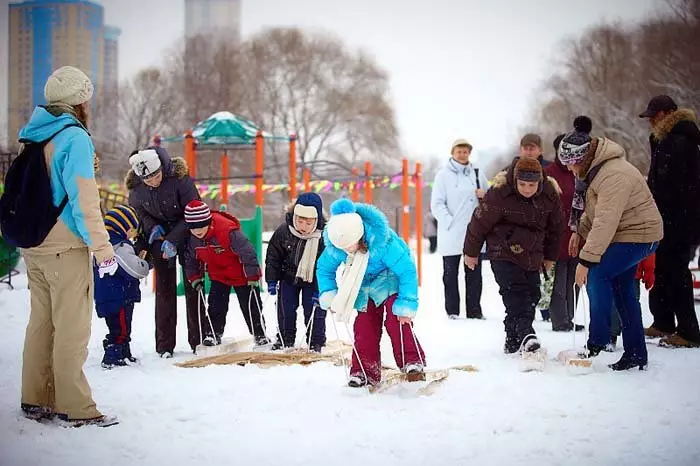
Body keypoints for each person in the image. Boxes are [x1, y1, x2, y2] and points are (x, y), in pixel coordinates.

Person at [19, 66, 118, 427]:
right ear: (79, 100)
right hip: (64, 246)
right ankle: (74, 406)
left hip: (35, 245)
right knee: (72, 328)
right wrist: (103, 249)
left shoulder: (34, 133)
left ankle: (35, 397)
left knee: (41, 323)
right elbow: (83, 200)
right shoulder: (74, 137)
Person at [559, 116, 663, 370]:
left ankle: (599, 339)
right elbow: (595, 213)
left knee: (597, 276)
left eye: (572, 164)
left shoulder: (613, 174)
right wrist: (578, 231)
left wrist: (585, 260)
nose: (571, 170)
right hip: (625, 234)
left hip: (638, 236)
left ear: (584, 157)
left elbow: (606, 222)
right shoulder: (598, 171)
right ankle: (636, 353)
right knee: (623, 291)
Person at [317, 198, 425, 388]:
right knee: (364, 327)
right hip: (361, 283)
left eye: (350, 245)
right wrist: (330, 294)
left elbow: (406, 271)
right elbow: (324, 269)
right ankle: (364, 371)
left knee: (397, 319)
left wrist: (406, 303)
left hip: (391, 278)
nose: (347, 250)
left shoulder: (384, 242)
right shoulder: (337, 245)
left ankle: (412, 362)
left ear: (359, 235)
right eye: (343, 247)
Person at [464, 157, 563, 354]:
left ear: (540, 182)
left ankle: (512, 340)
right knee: (515, 293)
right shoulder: (500, 192)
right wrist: (471, 252)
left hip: (533, 253)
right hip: (503, 251)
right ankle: (527, 334)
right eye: (523, 184)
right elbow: (478, 223)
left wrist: (550, 256)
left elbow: (556, 228)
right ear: (515, 180)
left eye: (532, 185)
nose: (527, 189)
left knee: (532, 294)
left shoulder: (549, 194)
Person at [126, 146, 202, 357]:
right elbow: (138, 211)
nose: (153, 181)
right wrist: (151, 227)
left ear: (162, 167)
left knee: (193, 286)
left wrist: (174, 238)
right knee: (164, 291)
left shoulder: (180, 179)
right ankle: (164, 345)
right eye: (148, 180)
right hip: (159, 238)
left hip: (188, 235)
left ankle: (199, 340)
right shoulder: (137, 188)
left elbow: (194, 211)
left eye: (156, 176)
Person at [640, 95, 700, 348]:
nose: (651, 121)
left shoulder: (677, 141)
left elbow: (672, 186)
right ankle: (663, 321)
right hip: (667, 218)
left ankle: (688, 331)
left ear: (666, 114)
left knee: (676, 273)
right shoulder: (667, 139)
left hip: (678, 219)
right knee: (661, 269)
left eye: (654, 115)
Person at [183, 200, 270, 347]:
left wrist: (253, 275)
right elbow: (191, 259)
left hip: (242, 274)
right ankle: (213, 334)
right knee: (216, 305)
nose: (197, 231)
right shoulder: (193, 239)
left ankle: (260, 334)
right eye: (193, 228)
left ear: (208, 222)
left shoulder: (227, 231)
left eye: (201, 227)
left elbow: (248, 252)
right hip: (218, 275)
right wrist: (194, 277)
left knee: (250, 305)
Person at [430, 139, 489, 319]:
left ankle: (474, 311)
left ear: (469, 153)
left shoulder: (477, 173)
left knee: (474, 274)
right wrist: (449, 221)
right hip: (451, 233)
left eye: (465, 151)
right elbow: (437, 204)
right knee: (450, 274)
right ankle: (452, 311)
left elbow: (492, 199)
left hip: (473, 232)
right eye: (459, 151)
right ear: (452, 152)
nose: (462, 154)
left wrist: (484, 195)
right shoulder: (442, 175)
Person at [265, 192, 327, 352]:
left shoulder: (324, 237)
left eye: (308, 223)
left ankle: (315, 341)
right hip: (288, 277)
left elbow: (325, 267)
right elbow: (273, 256)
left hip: (313, 280)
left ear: (316, 220)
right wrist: (272, 280)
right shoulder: (284, 231)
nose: (303, 227)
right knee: (286, 308)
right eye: (300, 221)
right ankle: (285, 338)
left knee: (313, 310)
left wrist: (320, 290)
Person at [93, 205, 150, 369]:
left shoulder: (102, 245)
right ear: (122, 227)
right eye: (131, 228)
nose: (134, 233)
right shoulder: (120, 247)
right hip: (120, 297)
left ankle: (124, 353)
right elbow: (135, 269)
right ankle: (113, 356)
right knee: (121, 329)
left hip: (107, 296)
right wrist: (146, 263)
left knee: (117, 326)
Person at [546, 133, 584, 332]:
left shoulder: (578, 171)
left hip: (577, 234)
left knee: (574, 281)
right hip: (557, 236)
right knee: (558, 283)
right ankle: (560, 320)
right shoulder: (549, 173)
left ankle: (570, 317)